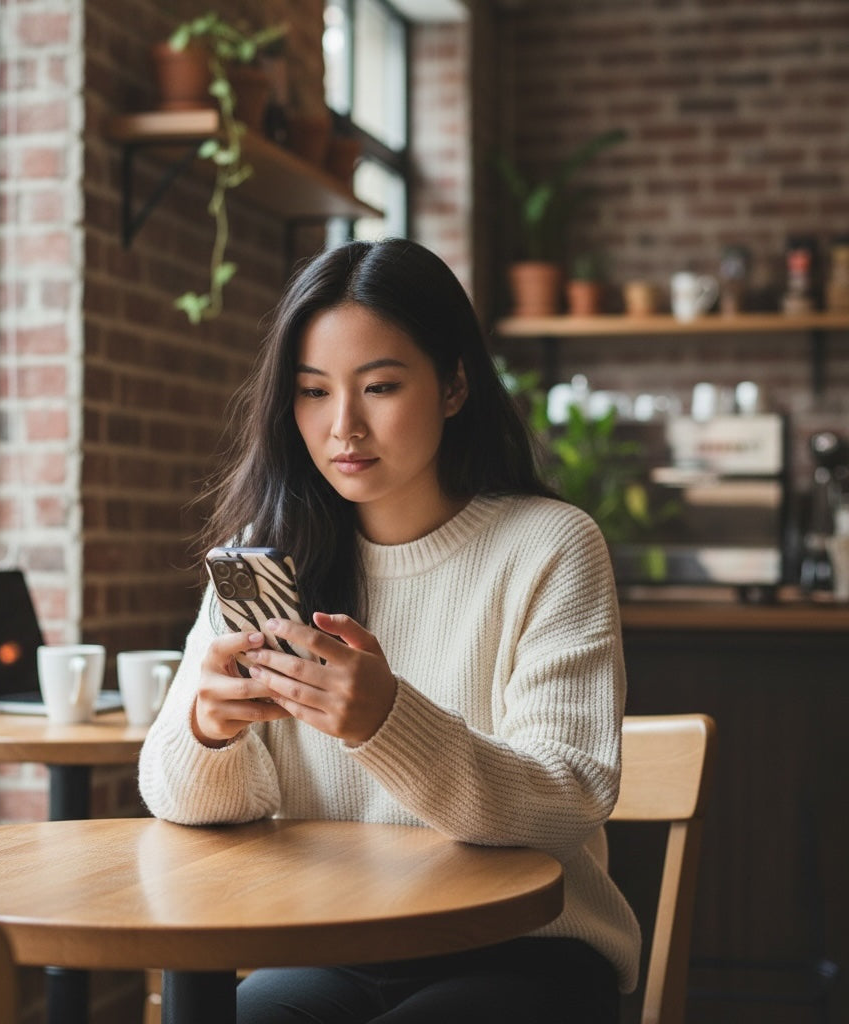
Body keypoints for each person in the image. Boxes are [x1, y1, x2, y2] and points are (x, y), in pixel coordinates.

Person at [139, 238, 640, 1023]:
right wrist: (206, 731)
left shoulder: (550, 545)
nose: (343, 427)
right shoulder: (269, 555)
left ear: (454, 386)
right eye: (312, 391)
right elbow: (184, 803)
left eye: (379, 386)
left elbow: (568, 797)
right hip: (328, 944)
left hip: (527, 947)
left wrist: (386, 721)